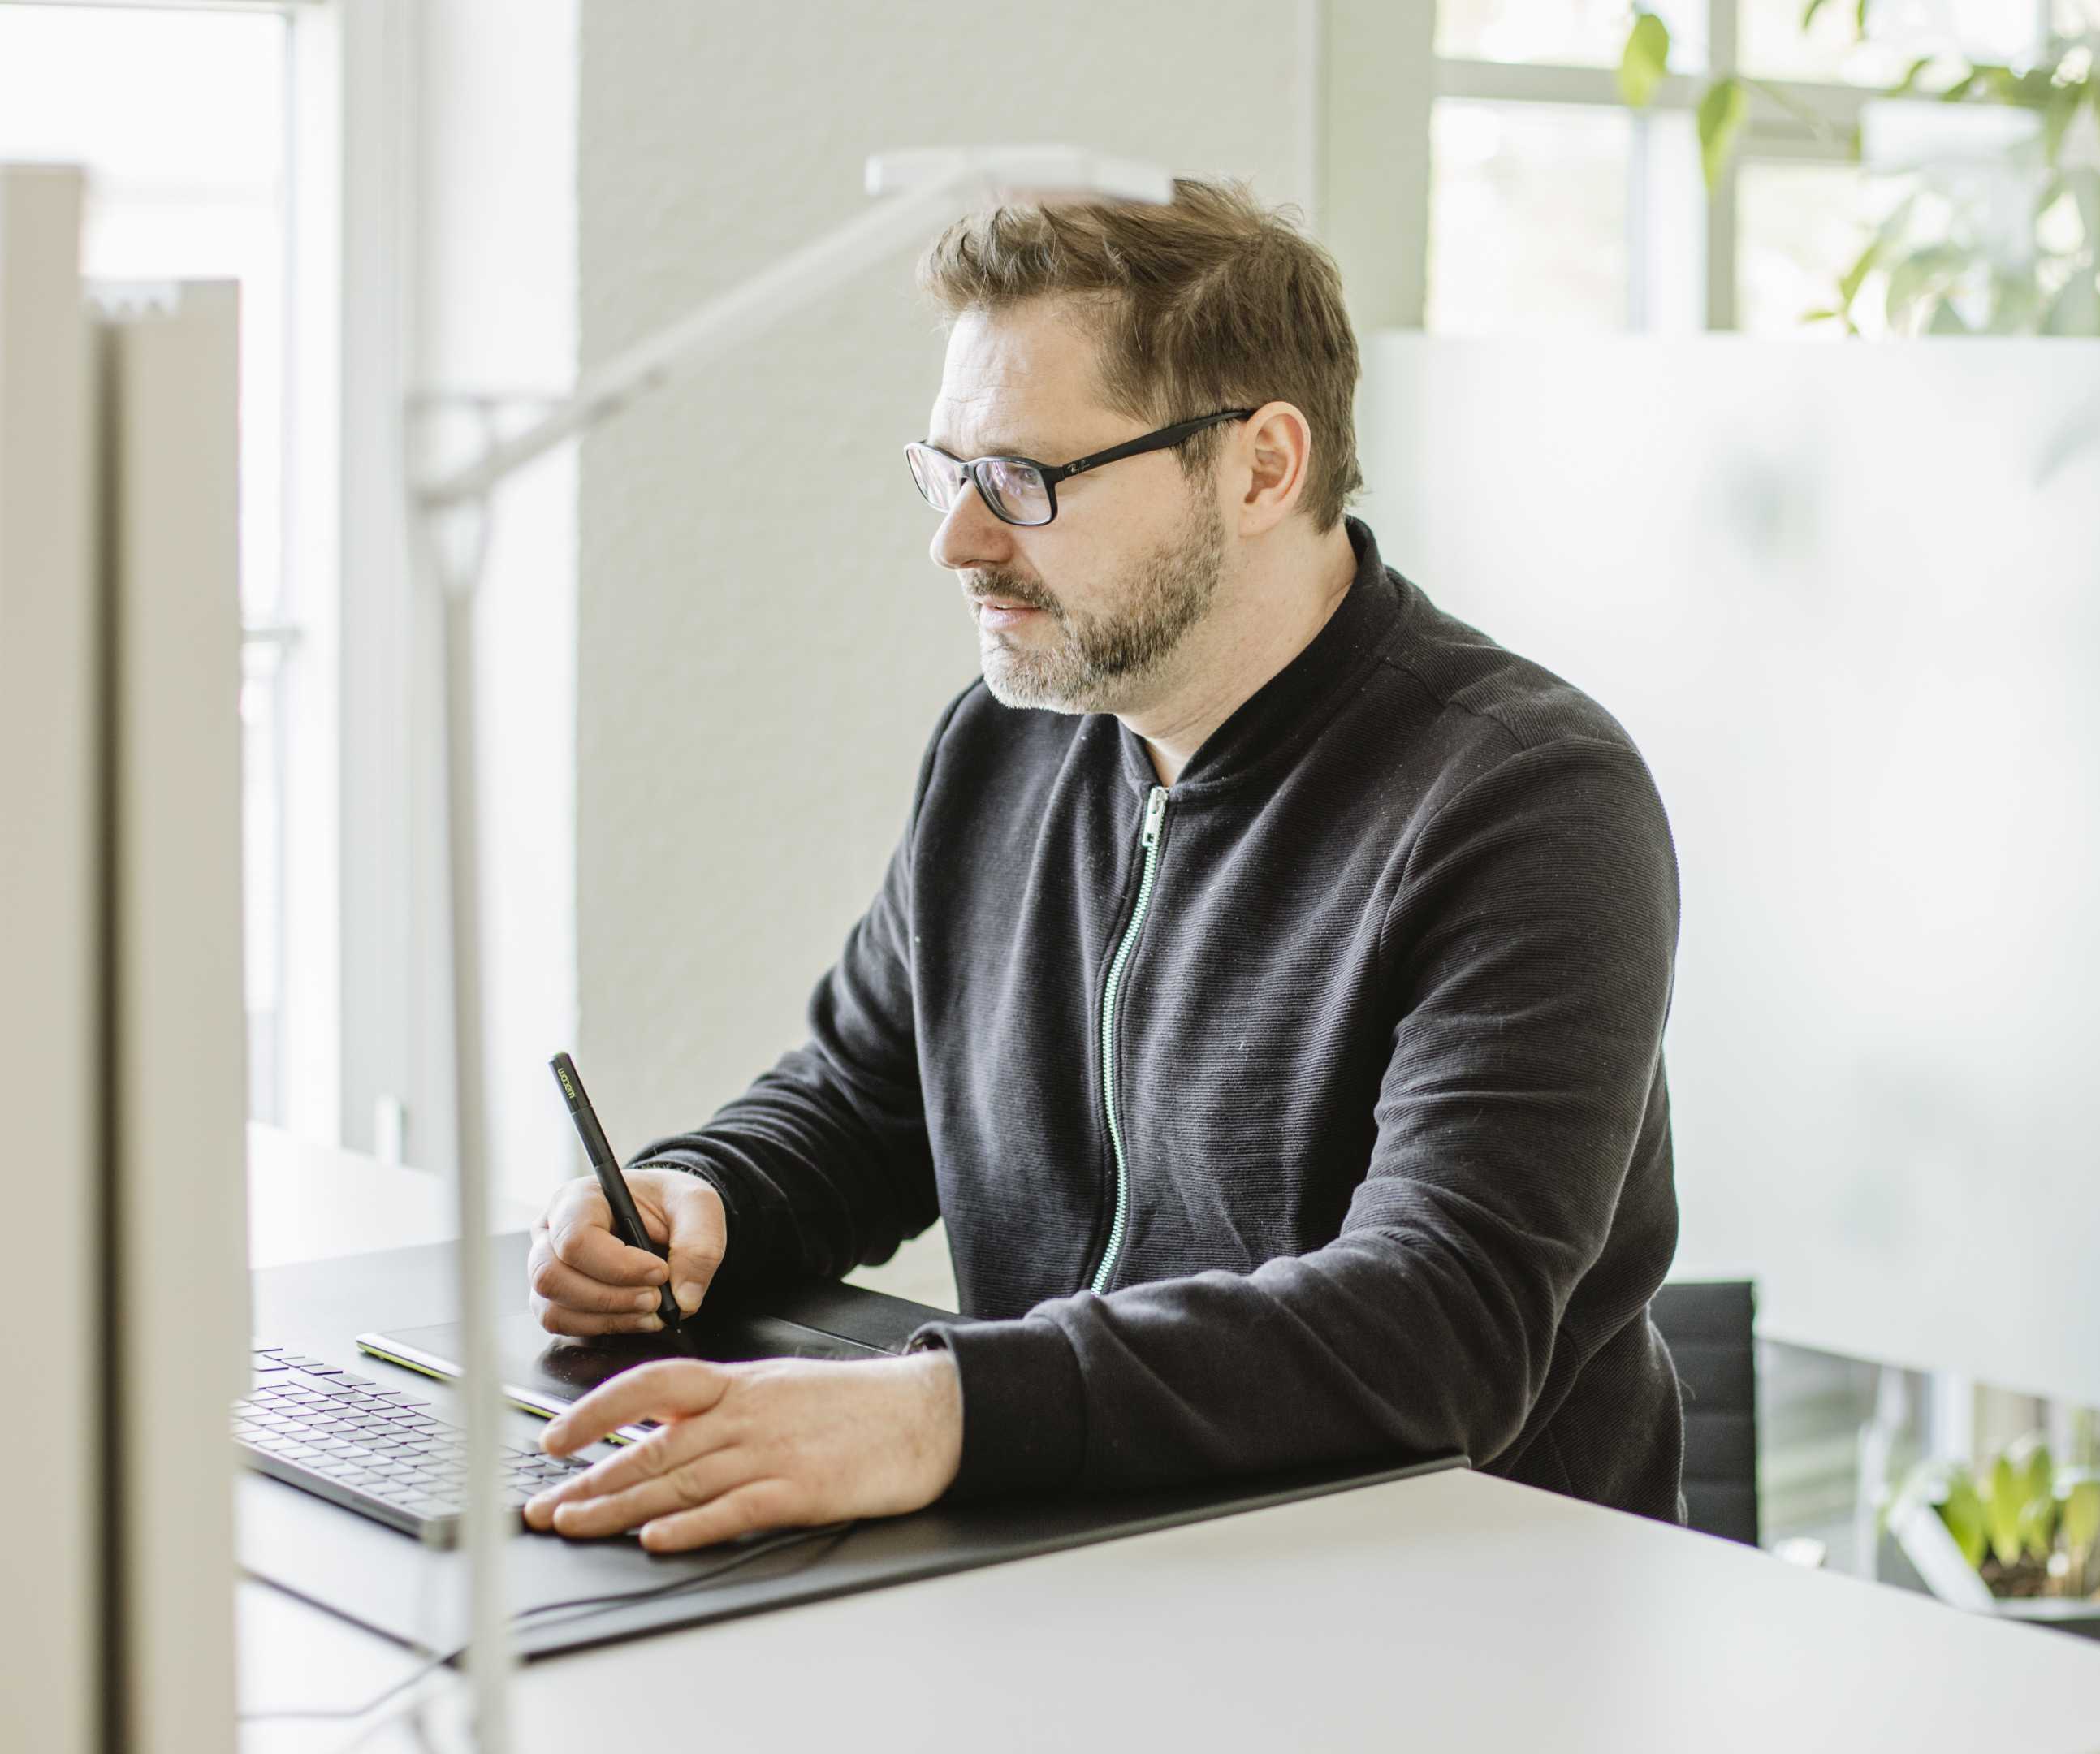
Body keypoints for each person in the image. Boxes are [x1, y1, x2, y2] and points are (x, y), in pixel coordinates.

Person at [521, 179, 1683, 1553]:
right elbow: (868, 1095)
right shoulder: (1009, 746)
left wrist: (935, 1412)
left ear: (1262, 466)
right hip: (1088, 1554)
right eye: (948, 472)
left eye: (1023, 480)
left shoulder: (1525, 799)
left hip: (1450, 1613)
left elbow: (1439, 1326)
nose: (958, 538)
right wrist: (700, 1198)